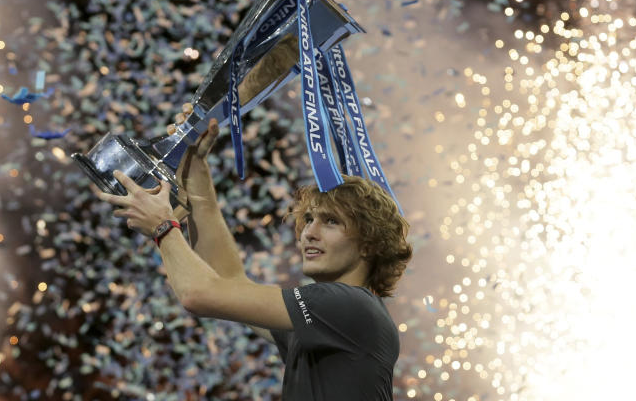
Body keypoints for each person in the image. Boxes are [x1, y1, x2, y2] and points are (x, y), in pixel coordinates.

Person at [90, 107, 413, 401]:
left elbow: (199, 294)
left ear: (370, 243)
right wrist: (195, 169)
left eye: (331, 222)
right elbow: (229, 280)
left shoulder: (348, 305)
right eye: (309, 219)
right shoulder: (328, 318)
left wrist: (163, 227)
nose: (309, 233)